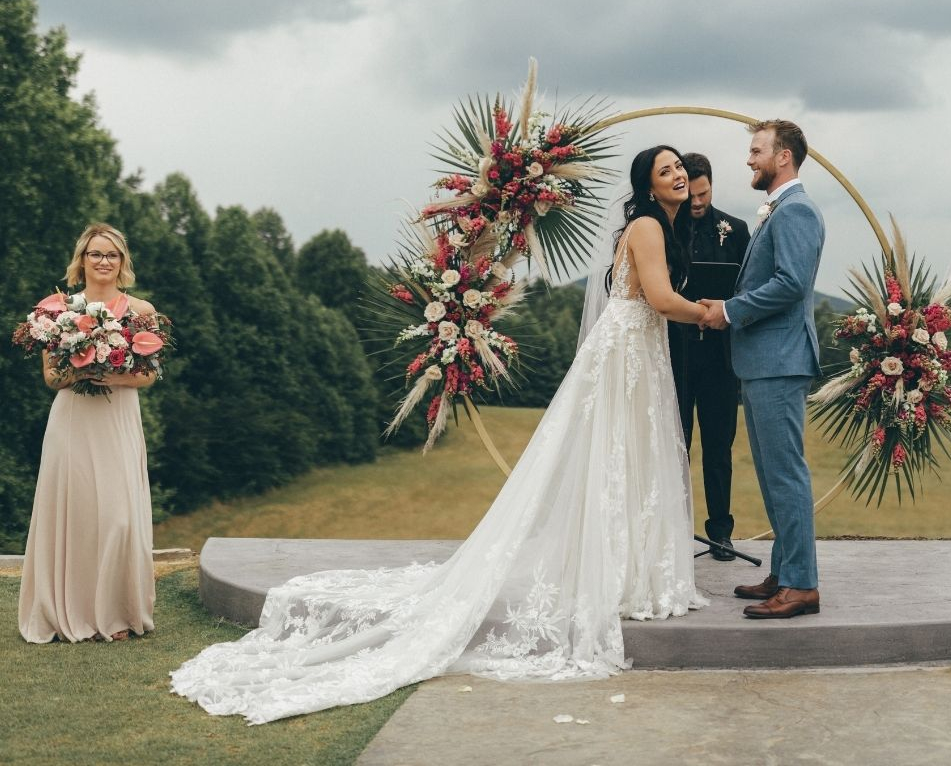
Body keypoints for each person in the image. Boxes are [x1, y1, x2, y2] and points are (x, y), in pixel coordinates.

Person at [171, 145, 710, 724]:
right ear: (647, 186)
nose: (678, 174)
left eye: (680, 167)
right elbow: (656, 299)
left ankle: (628, 573)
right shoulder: (651, 226)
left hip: (635, 348)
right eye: (666, 170)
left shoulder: (657, 225)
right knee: (618, 458)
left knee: (624, 460)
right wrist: (707, 313)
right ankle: (623, 576)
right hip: (630, 349)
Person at [699, 120, 825, 619]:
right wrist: (726, 302)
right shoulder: (781, 210)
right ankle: (784, 571)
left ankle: (801, 586)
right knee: (775, 477)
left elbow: (792, 284)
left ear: (784, 157)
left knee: (786, 474)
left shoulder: (796, 212)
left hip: (779, 361)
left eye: (757, 151)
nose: (749, 160)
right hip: (763, 362)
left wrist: (730, 311)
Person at [20, 223, 160, 644]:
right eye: (95, 253)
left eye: (112, 254)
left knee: (117, 516)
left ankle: (115, 612)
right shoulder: (56, 310)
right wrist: (79, 367)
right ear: (82, 259)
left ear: (123, 262)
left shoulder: (141, 311)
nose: (103, 261)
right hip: (74, 419)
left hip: (117, 417)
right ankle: (69, 612)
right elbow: (51, 377)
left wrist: (114, 377)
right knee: (77, 513)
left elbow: (149, 374)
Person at [667, 152, 750, 558]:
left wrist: (724, 308)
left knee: (719, 447)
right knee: (673, 444)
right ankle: (673, 529)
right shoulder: (665, 229)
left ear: (711, 185)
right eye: (692, 195)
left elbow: (750, 289)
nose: (696, 203)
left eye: (703, 194)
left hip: (720, 357)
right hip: (674, 355)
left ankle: (721, 533)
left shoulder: (735, 229)